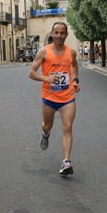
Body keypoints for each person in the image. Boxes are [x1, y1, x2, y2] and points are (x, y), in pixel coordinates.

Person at [28, 22, 80, 176]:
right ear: (51, 33)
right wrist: (47, 78)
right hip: (49, 97)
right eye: (56, 32)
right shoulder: (43, 52)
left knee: (67, 127)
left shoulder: (71, 53)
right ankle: (45, 134)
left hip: (67, 96)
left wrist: (75, 80)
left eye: (62, 33)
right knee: (47, 125)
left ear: (66, 35)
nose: (58, 36)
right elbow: (31, 73)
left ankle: (66, 162)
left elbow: (74, 66)